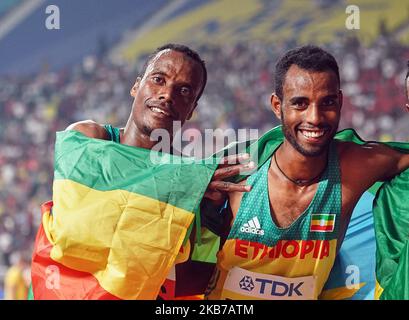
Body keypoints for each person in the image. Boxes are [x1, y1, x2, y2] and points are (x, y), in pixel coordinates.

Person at [205, 45, 409, 300]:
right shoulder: (238, 173)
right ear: (277, 105)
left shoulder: (356, 167)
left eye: (327, 103)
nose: (315, 117)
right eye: (300, 103)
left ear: (341, 101)